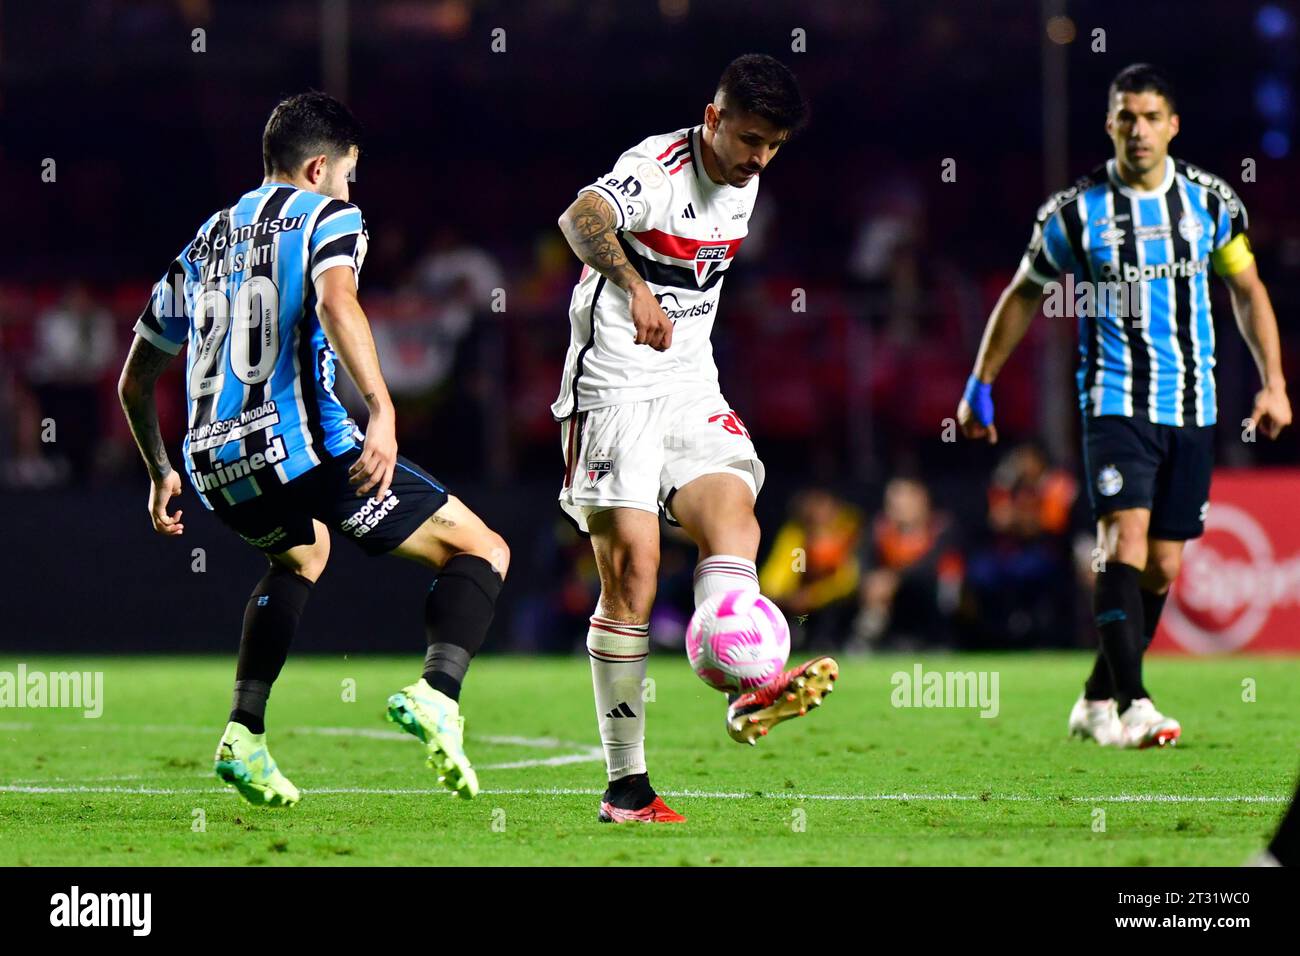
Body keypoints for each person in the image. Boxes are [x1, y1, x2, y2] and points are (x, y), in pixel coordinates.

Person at [117, 92, 509, 806]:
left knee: (304, 553)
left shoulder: (206, 237)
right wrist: (384, 411)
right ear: (320, 166)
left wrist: (159, 470)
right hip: (302, 447)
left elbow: (135, 377)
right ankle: (437, 695)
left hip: (212, 464)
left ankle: (244, 735)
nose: (351, 188)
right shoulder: (330, 216)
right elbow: (337, 301)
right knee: (485, 551)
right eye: (348, 173)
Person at [957, 64, 1291, 747]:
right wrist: (979, 382)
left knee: (1164, 565)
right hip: (1114, 402)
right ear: (1109, 124)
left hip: (1192, 405)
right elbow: (1024, 293)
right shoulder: (1077, 213)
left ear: (1172, 125)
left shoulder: (1209, 203)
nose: (1138, 130)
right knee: (1122, 544)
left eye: (1150, 117)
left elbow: (1249, 292)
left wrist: (1274, 382)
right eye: (1125, 117)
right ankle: (1136, 703)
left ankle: (1094, 699)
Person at [552, 54, 835, 823]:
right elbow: (579, 220)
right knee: (635, 573)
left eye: (773, 147)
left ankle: (750, 689)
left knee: (733, 517)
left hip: (687, 386)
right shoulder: (656, 169)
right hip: (611, 384)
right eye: (749, 139)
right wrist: (637, 291)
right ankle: (626, 788)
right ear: (712, 118)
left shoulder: (747, 180)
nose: (758, 160)